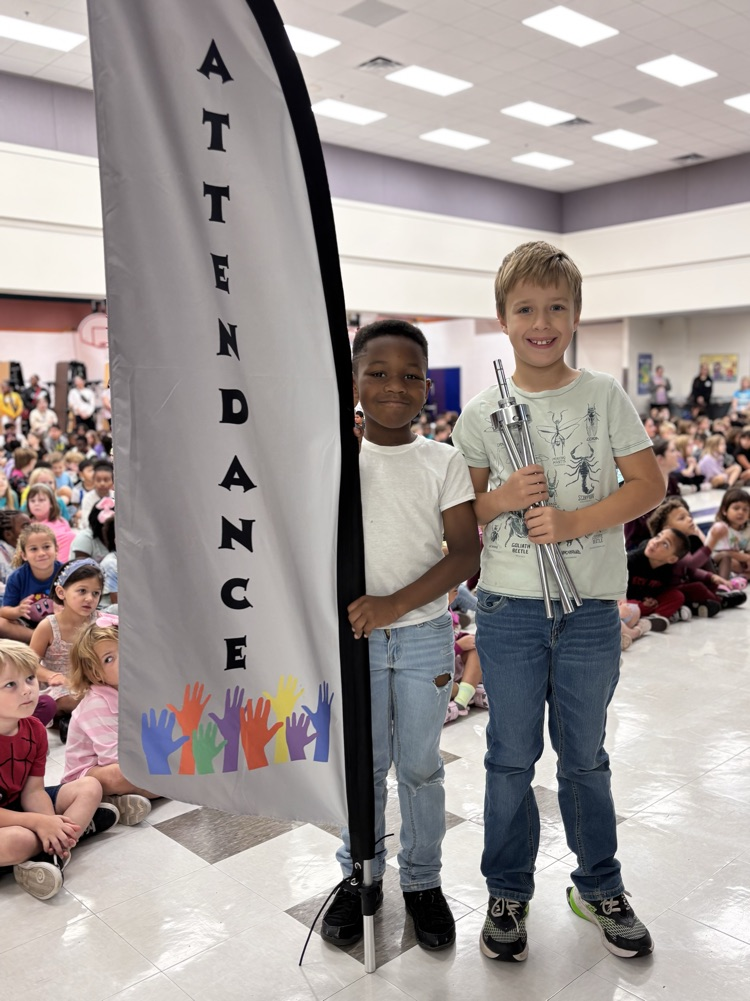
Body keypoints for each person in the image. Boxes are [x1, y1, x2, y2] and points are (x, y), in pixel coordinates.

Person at [452, 241, 662, 962]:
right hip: (508, 610)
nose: (542, 322)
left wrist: (573, 521)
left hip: (590, 611)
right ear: (503, 319)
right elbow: (460, 514)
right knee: (509, 756)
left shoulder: (604, 395)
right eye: (526, 309)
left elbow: (649, 485)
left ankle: (598, 883)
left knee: (585, 757)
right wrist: (501, 498)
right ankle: (507, 889)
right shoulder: (481, 411)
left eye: (556, 307)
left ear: (575, 314)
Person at [321, 319, 479, 952]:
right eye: (378, 373)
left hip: (421, 640)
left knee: (419, 768)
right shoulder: (334, 459)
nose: (395, 385)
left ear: (426, 387)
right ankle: (360, 876)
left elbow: (463, 553)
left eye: (411, 375)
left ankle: (423, 881)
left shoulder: (442, 460)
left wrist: (394, 605)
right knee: (366, 766)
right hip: (353, 643)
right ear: (354, 382)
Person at [0, 640, 117, 900]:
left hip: (18, 805)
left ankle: (50, 854)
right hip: (9, 824)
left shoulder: (35, 729)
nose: (27, 690)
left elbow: (33, 791)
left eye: (30, 678)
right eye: (11, 685)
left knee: (90, 786)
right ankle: (77, 830)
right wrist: (39, 822)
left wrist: (49, 822)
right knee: (16, 840)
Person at [62, 616, 154, 824]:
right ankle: (105, 799)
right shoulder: (97, 704)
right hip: (86, 777)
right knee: (121, 774)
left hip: (136, 757)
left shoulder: (139, 687)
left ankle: (118, 801)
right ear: (95, 674)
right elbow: (113, 758)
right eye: (109, 659)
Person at [29, 559, 103, 741]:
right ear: (61, 592)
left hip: (93, 682)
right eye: (82, 591)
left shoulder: (100, 622)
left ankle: (69, 722)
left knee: (105, 694)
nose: (89, 599)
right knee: (65, 701)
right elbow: (29, 664)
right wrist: (50, 676)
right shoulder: (48, 626)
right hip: (62, 687)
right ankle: (66, 719)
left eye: (96, 593)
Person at [0, 524, 61, 628]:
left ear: (56, 549)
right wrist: (18, 610)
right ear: (24, 555)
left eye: (46, 547)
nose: (41, 553)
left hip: (60, 624)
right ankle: (39, 637)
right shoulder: (17, 577)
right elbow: (4, 611)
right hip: (27, 625)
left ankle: (48, 637)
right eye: (33, 549)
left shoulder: (66, 572)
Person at [626, 528, 690, 623]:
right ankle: (661, 614)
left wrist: (652, 600)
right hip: (625, 600)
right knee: (627, 607)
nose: (655, 542)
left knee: (678, 596)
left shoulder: (667, 571)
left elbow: (660, 590)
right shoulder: (630, 561)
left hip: (643, 602)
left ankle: (655, 618)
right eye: (658, 536)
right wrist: (641, 602)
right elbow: (617, 593)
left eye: (665, 544)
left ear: (671, 559)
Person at [25, 484, 75, 561]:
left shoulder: (62, 521)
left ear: (51, 503)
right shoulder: (26, 525)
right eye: (32, 501)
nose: (36, 504)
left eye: (41, 500)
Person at [712, 487, 750, 579]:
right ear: (724, 510)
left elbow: (747, 549)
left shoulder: (747, 528)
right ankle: (733, 577)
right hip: (718, 558)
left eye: (745, 510)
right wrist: (747, 558)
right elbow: (726, 552)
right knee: (732, 562)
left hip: (739, 557)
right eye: (736, 508)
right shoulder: (720, 528)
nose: (741, 512)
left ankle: (742, 576)